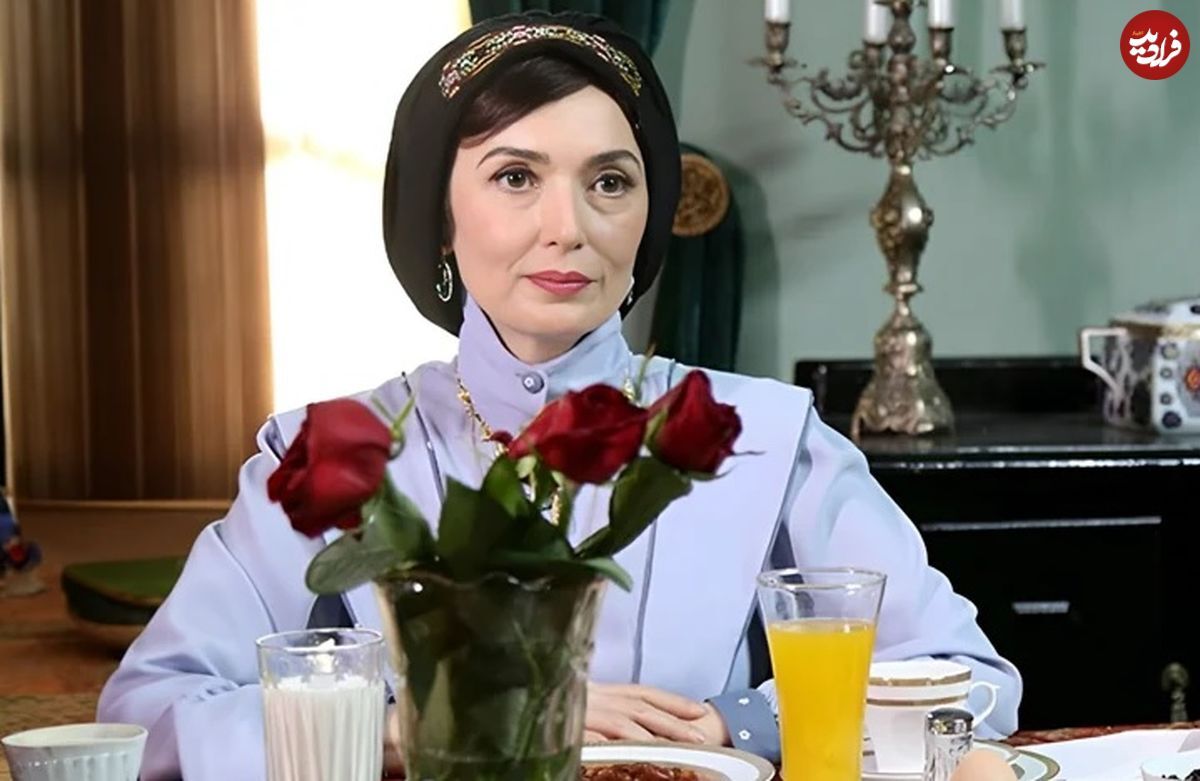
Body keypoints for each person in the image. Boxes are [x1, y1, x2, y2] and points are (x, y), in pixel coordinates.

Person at [98, 10, 1021, 779]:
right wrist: (415, 721)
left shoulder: (765, 438)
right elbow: (148, 713)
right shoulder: (332, 451)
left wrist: (733, 722)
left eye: (609, 182)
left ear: (648, 218)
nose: (567, 227)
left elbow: (968, 678)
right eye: (515, 176)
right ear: (441, 219)